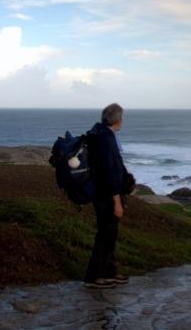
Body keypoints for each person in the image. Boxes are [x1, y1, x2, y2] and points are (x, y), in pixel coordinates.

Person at [84, 103, 130, 288]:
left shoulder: (99, 133)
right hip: (106, 195)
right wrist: (117, 201)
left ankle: (109, 272)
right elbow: (110, 172)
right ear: (118, 120)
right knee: (105, 235)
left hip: (100, 192)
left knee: (110, 234)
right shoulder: (106, 139)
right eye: (122, 117)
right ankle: (93, 277)